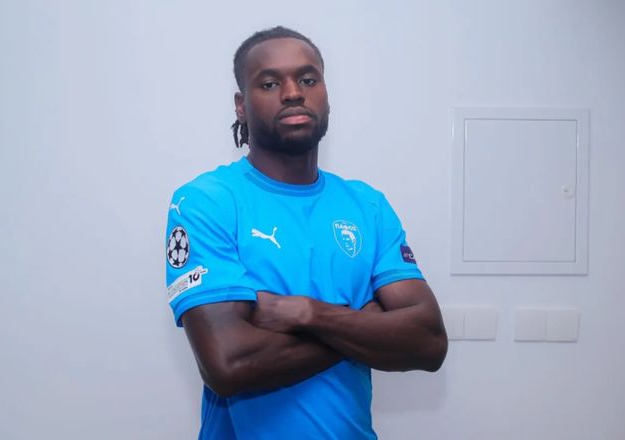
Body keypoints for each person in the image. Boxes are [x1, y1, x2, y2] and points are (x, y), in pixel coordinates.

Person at [165, 26, 448, 440]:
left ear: (326, 94)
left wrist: (308, 313)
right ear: (241, 106)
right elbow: (228, 364)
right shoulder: (207, 202)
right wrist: (362, 322)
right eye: (269, 83)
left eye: (308, 79)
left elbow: (428, 342)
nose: (293, 92)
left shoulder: (367, 206)